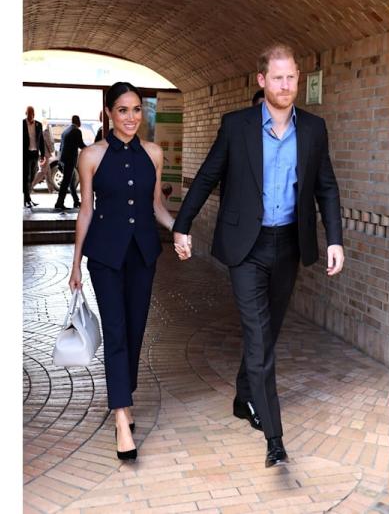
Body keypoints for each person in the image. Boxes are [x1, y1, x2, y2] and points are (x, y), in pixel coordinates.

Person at [172, 43, 345, 468]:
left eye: (292, 77)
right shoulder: (237, 126)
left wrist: (335, 239)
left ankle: (242, 395)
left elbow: (326, 186)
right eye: (277, 77)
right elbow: (209, 175)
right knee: (259, 338)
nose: (285, 85)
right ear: (262, 80)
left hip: (288, 244)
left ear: (298, 78)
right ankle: (275, 438)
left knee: (268, 333)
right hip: (245, 247)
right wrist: (182, 224)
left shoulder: (315, 129)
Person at [69, 81, 177, 460]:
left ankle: (123, 399)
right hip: (105, 256)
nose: (131, 118)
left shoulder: (154, 153)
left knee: (134, 331)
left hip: (143, 254)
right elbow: (85, 211)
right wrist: (76, 262)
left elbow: (155, 206)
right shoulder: (91, 155)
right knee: (115, 331)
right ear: (109, 114)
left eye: (136, 110)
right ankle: (120, 419)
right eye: (122, 110)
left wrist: (177, 229)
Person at [54, 115, 87, 209]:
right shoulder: (76, 131)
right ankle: (59, 203)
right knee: (66, 182)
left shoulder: (65, 131)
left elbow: (61, 147)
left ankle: (76, 201)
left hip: (63, 159)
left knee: (71, 182)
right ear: (78, 121)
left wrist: (59, 161)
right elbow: (81, 144)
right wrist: (90, 150)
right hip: (69, 160)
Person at [23, 106, 47, 208]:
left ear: (34, 114)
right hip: (25, 154)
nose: (30, 115)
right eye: (28, 113)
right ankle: (27, 200)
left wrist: (43, 154)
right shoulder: (21, 124)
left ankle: (27, 199)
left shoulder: (38, 124)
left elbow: (41, 140)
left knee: (32, 176)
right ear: (26, 114)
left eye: (32, 113)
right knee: (26, 177)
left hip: (35, 154)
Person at [30, 120, 57, 192]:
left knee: (48, 172)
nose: (47, 124)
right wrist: (52, 151)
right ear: (45, 124)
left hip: (41, 153)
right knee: (42, 171)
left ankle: (51, 189)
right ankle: (29, 187)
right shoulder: (45, 132)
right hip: (44, 154)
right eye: (46, 123)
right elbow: (48, 143)